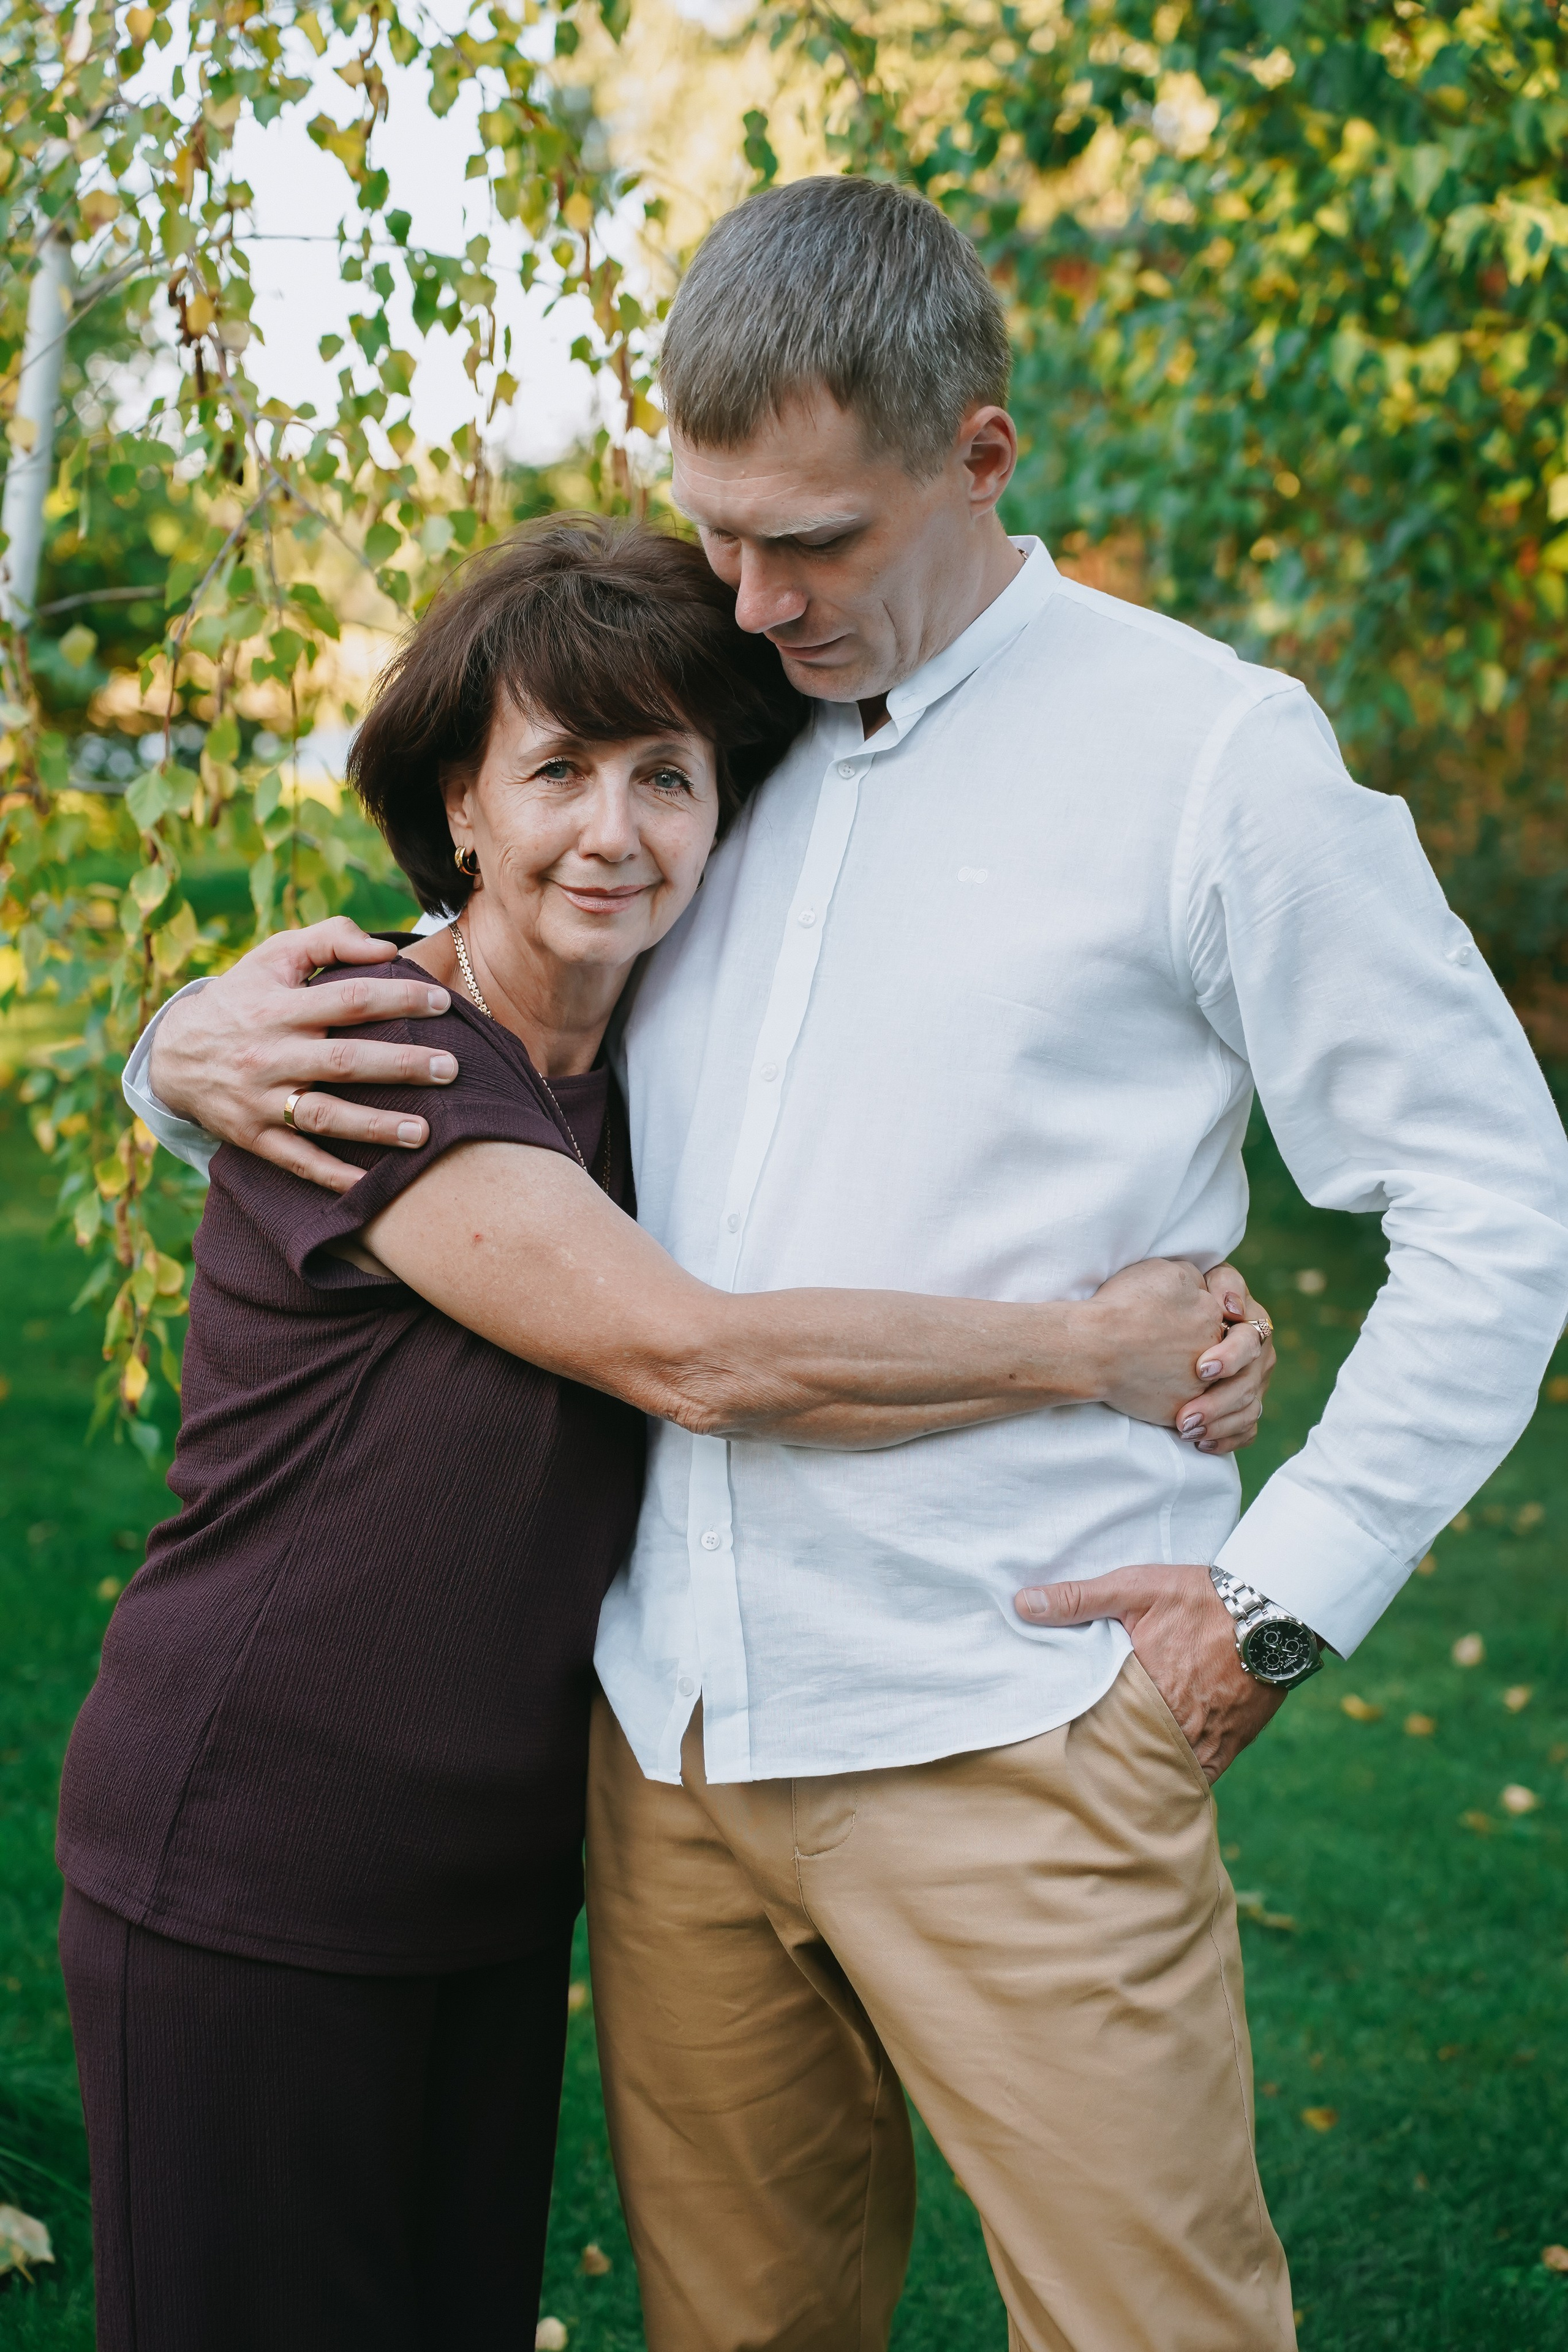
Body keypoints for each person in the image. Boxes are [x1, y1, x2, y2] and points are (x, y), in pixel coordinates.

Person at [127, 179, 1568, 2352]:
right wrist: (167, 1045)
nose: (751, 593)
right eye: (714, 529)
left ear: (981, 458)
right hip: (665, 1748)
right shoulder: (729, 720)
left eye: (811, 540)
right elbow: (476, 971)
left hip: (1014, 1728)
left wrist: (1285, 1600)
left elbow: (1494, 1188)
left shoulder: (1207, 760)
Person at [62, 517, 1269, 2352]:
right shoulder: (379, 1048)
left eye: (666, 778)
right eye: (556, 772)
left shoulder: (646, 1079)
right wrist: (1099, 1349)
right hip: (254, 1843)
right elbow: (699, 1357)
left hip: (487, 1874)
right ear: (458, 806)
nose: (612, 832)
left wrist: (1204, 1321)